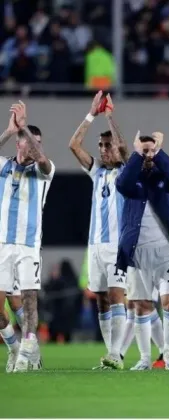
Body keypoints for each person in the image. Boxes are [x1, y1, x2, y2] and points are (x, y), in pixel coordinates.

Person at [116, 131, 169, 371]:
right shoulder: (132, 179)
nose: (148, 155)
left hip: (166, 250)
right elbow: (122, 184)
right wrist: (137, 154)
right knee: (141, 305)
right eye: (145, 151)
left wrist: (159, 152)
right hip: (137, 251)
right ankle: (144, 358)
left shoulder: (163, 177)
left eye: (152, 150)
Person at [68, 91, 129, 369]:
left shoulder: (127, 171)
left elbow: (125, 148)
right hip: (95, 246)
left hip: (118, 246)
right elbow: (73, 145)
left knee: (118, 296)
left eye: (108, 145)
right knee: (102, 301)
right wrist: (91, 114)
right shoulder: (97, 171)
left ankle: (117, 353)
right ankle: (110, 355)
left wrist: (109, 117)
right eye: (101, 145)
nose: (103, 149)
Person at [0, 101, 55, 372]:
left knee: (30, 298)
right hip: (1, 245)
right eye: (31, 141)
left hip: (29, 246)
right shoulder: (3, 166)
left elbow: (43, 160)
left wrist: (27, 131)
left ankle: (28, 350)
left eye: (39, 142)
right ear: (18, 144)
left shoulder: (43, 172)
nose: (36, 146)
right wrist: (11, 131)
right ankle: (13, 347)